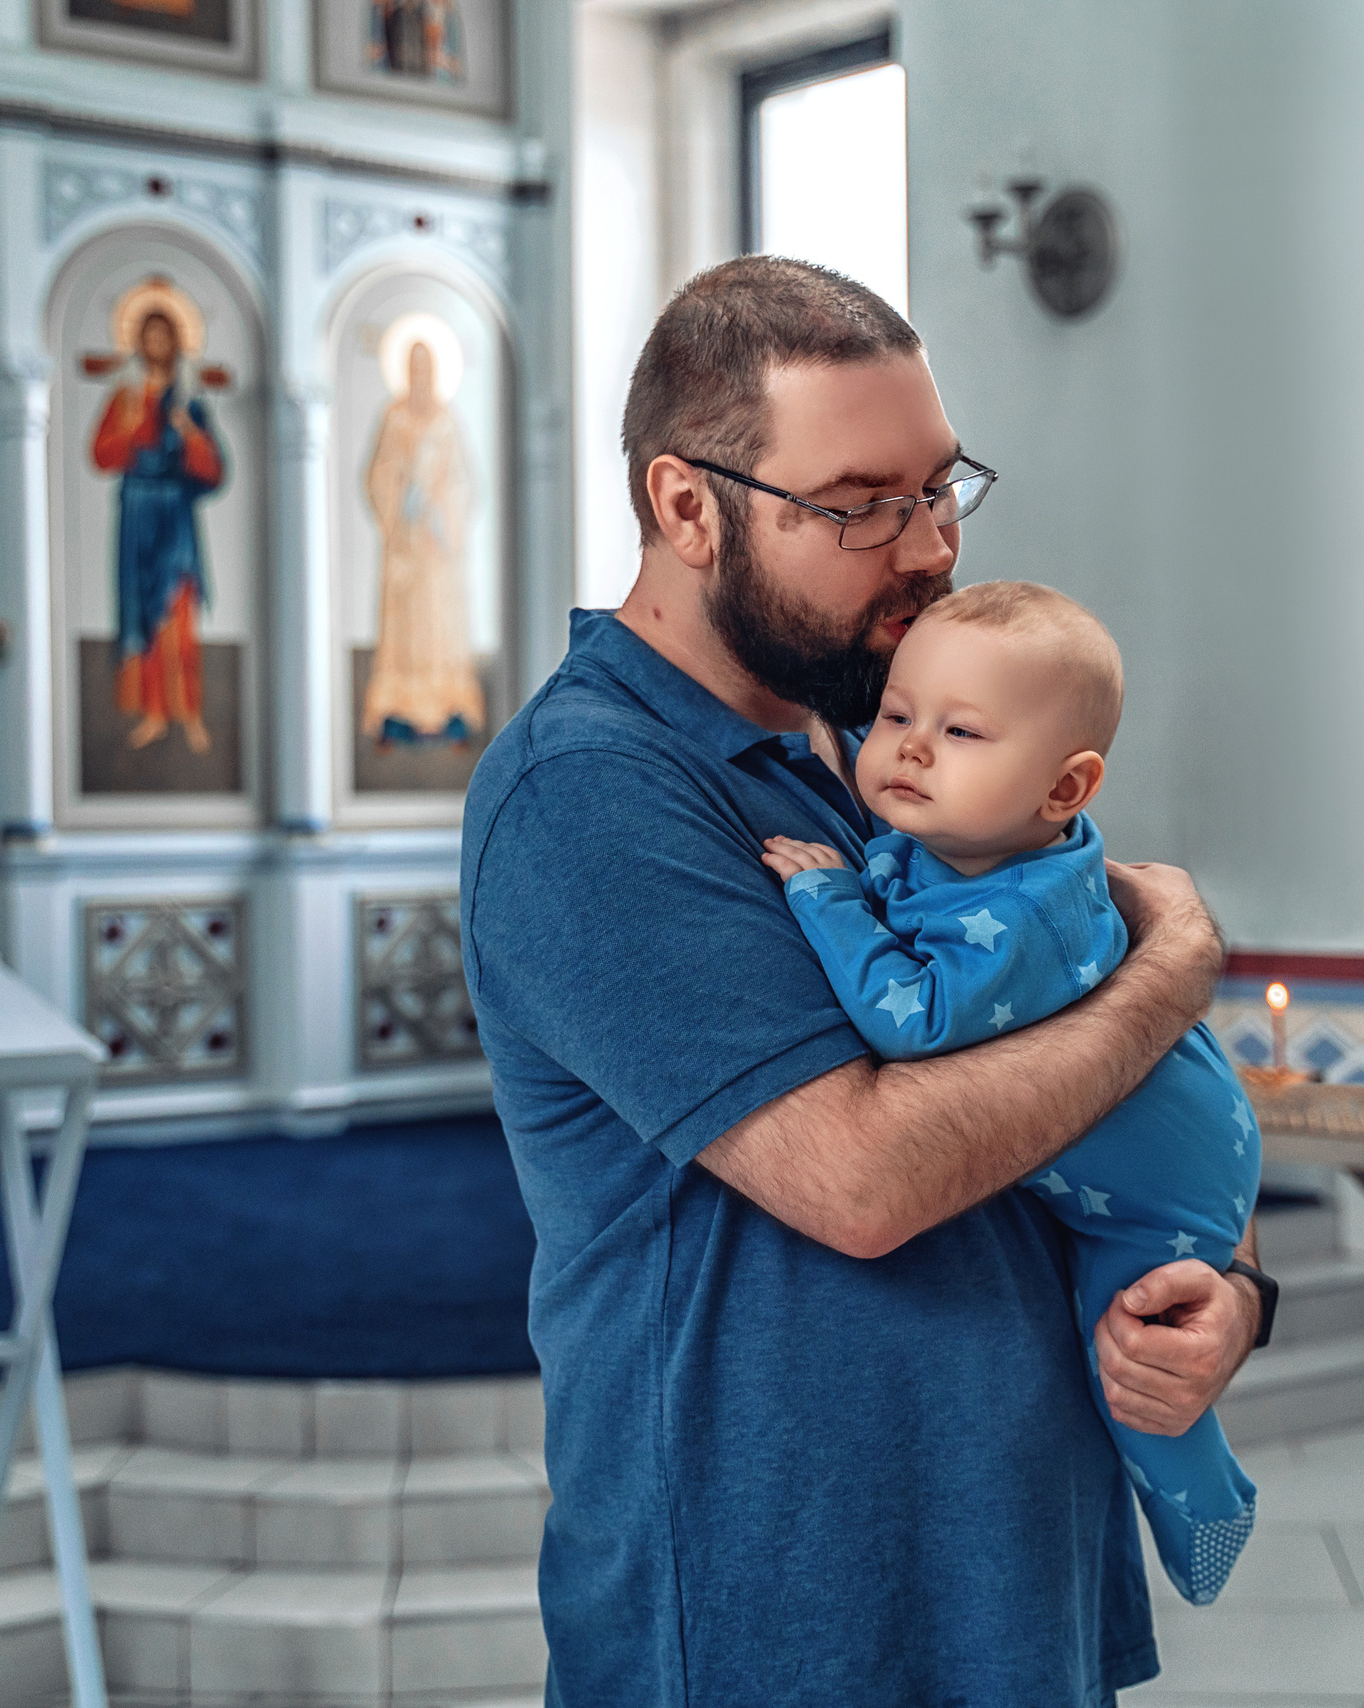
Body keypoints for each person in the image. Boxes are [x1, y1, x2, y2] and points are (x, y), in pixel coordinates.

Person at [460, 256, 1258, 1706]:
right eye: (858, 506)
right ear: (686, 507)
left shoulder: (892, 736)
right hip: (779, 1616)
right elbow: (866, 1180)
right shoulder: (589, 790)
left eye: (940, 487)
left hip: (1004, 1585)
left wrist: (1224, 1292)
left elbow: (1081, 1079)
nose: (929, 546)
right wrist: (1175, 971)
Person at [760, 580, 1261, 1607]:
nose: (908, 749)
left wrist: (828, 897)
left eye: (959, 732)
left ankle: (1206, 1507)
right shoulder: (980, 835)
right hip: (1164, 1122)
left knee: (1132, 1363)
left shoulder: (1023, 915)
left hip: (1158, 1190)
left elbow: (911, 1018)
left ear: (1065, 789)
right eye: (896, 715)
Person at [93, 308, 225, 755]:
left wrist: (189, 434)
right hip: (137, 515)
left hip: (175, 516)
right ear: (138, 344)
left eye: (163, 337)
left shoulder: (189, 402)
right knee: (143, 616)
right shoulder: (126, 398)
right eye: (147, 337)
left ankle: (188, 711)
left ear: (175, 344)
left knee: (180, 611)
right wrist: (130, 429)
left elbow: (213, 472)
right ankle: (153, 713)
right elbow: (102, 455)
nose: (155, 345)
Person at [361, 339, 486, 746]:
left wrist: (439, 504)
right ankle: (398, 714)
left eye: (425, 367)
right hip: (405, 546)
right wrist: (402, 490)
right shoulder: (393, 417)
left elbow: (464, 480)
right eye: (413, 367)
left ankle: (448, 713)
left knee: (440, 624)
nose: (419, 375)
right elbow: (377, 474)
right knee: (405, 627)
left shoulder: (447, 420)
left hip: (436, 545)